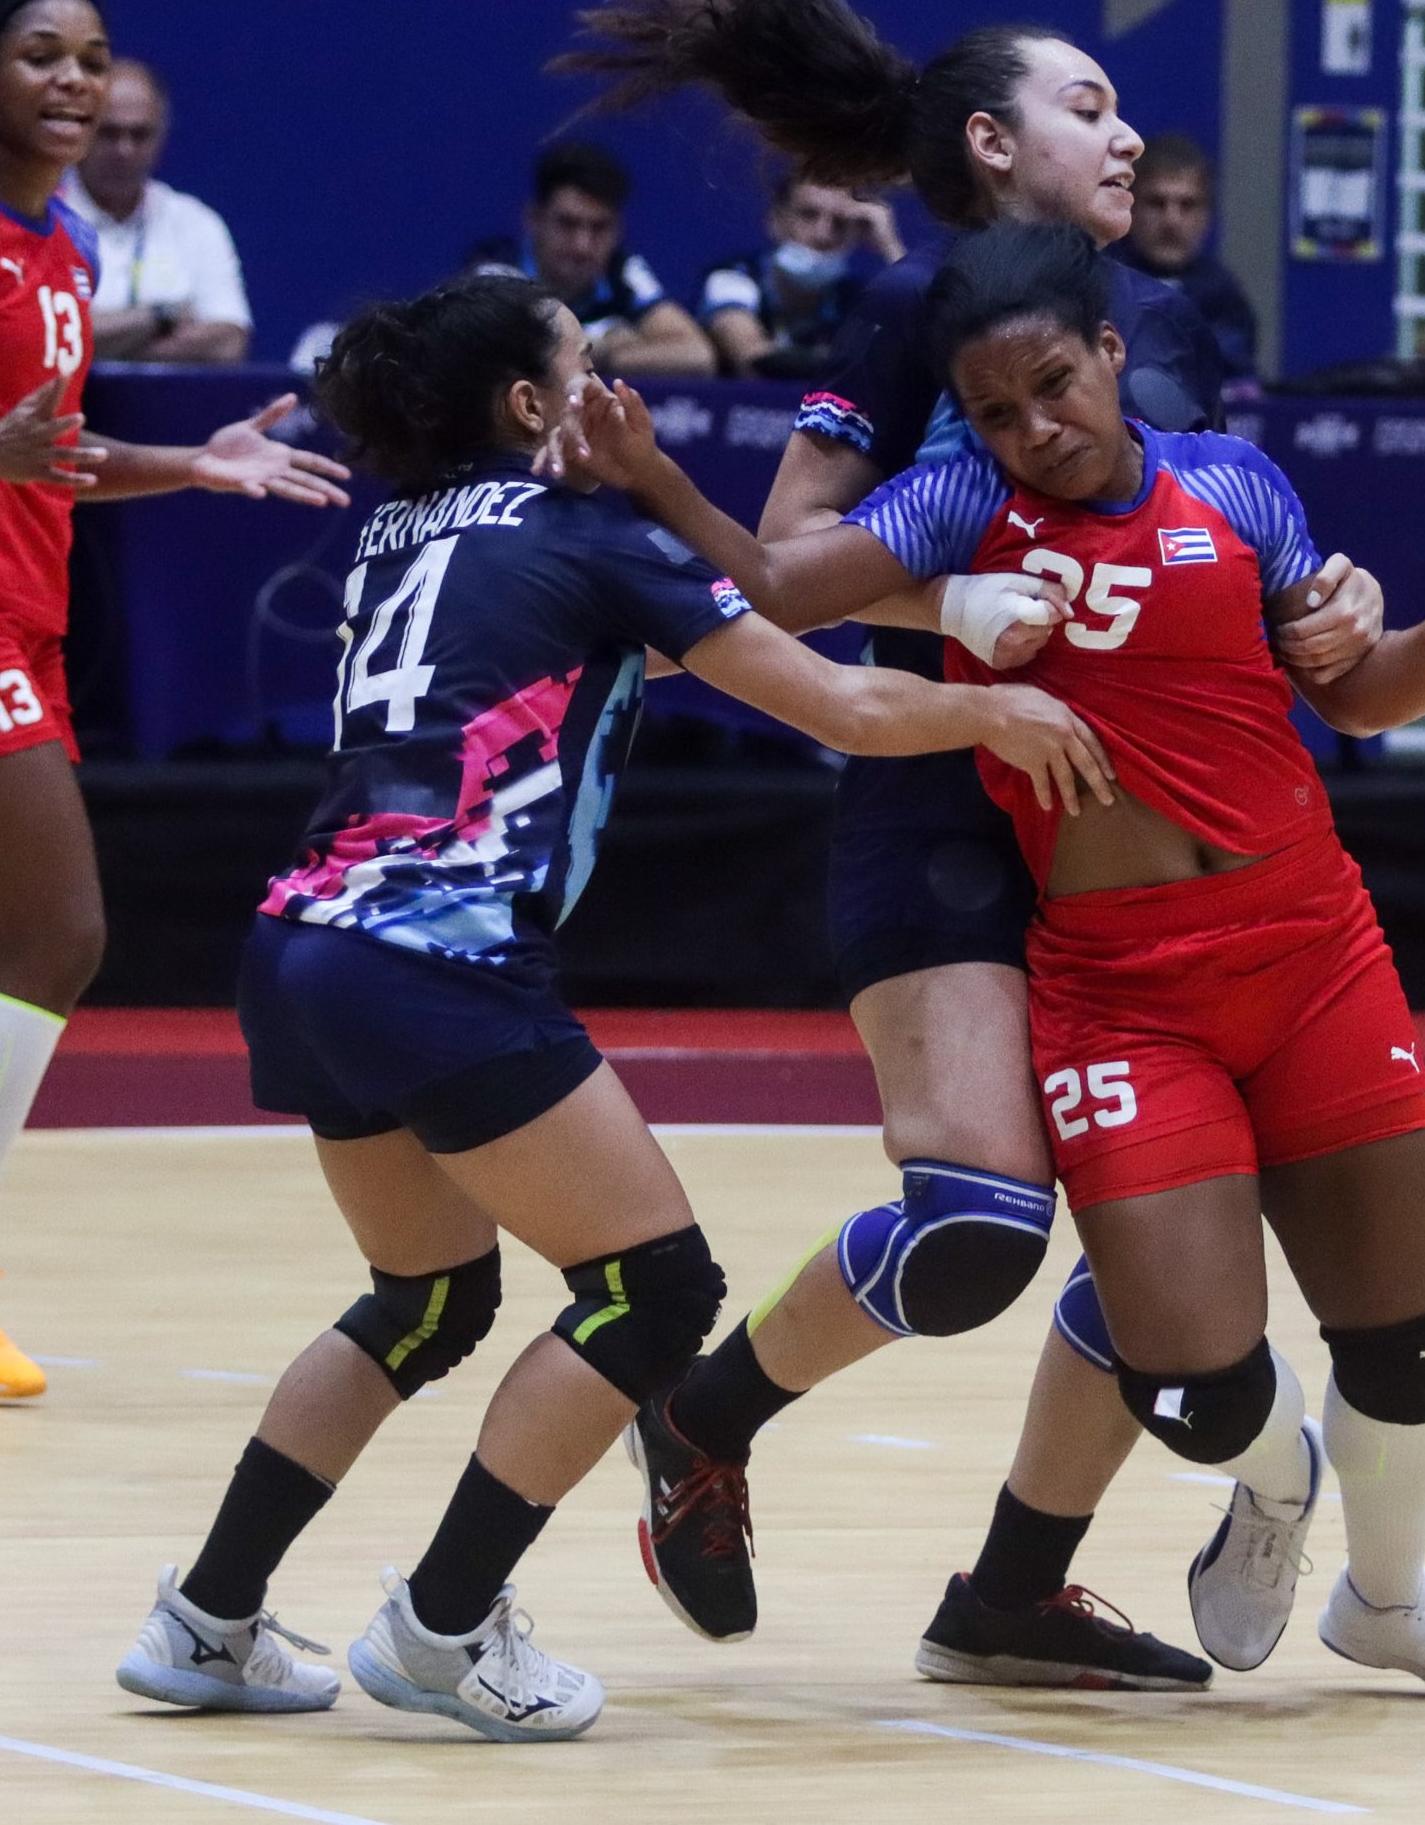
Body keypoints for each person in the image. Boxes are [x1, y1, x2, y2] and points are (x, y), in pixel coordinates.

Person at [108, 269, 1110, 1741]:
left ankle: (204, 1619)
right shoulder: (584, 532)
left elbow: (696, 624)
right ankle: (444, 1627)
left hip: (300, 949)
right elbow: (833, 704)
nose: (617, 387)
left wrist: (932, 599)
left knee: (425, 1300)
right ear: (530, 407)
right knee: (655, 1293)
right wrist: (985, 700)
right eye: (590, 366)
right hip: (434, 960)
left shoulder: (403, 537)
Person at [596, 219, 1425, 1702]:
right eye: (995, 409)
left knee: (1409, 1336)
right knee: (1196, 1384)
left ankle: (1388, 1600)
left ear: (1111, 358)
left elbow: (1357, 698)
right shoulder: (956, 505)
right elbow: (771, 592)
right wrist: (659, 478)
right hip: (1123, 987)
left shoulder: (1231, 484)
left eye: (1053, 385)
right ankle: (1272, 1490)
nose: (1033, 430)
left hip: (1310, 943)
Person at [554, 0, 1380, 1683]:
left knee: (1157, 1249)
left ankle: (1012, 1591)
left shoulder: (1136, 319)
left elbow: (1209, 538)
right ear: (993, 140)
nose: (1126, 129)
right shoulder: (909, 319)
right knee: (977, 1229)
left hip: (1125, 835)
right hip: (946, 796)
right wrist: (962, 626)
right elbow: (782, 555)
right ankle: (704, 1415)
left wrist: (1326, 607)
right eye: (1088, 105)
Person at [0, 0, 350, 1401]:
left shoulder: (62, 254)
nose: (72, 79)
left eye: (92, 61)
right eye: (41, 55)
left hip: (4, 623)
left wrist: (192, 464)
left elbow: (48, 452)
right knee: (62, 933)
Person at [467, 140, 715, 377]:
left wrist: (615, 358)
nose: (582, 246)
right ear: (534, 219)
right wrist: (603, 345)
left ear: (617, 229)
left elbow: (698, 356)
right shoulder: (497, 272)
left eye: (599, 227)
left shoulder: (622, 272)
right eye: (567, 224)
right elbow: (498, 356)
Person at [59, 58, 251, 363]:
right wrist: (163, 316)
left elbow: (228, 343)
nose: (124, 150)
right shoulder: (41, 216)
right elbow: (44, 339)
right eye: (109, 133)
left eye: (140, 135)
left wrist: (103, 345)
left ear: (161, 136)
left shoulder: (196, 223)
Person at [700, 173, 903, 379]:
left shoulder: (854, 297)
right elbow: (753, 358)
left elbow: (923, 347)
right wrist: (859, 362)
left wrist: (889, 245)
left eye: (840, 222)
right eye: (808, 215)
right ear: (775, 221)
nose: (823, 235)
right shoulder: (733, 278)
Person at [1115, 132, 1259, 386]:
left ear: (1206, 216)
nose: (1172, 221)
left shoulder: (1224, 296)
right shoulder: (1096, 283)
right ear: (1130, 206)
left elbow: (1236, 377)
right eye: (1156, 203)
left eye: (1188, 205)